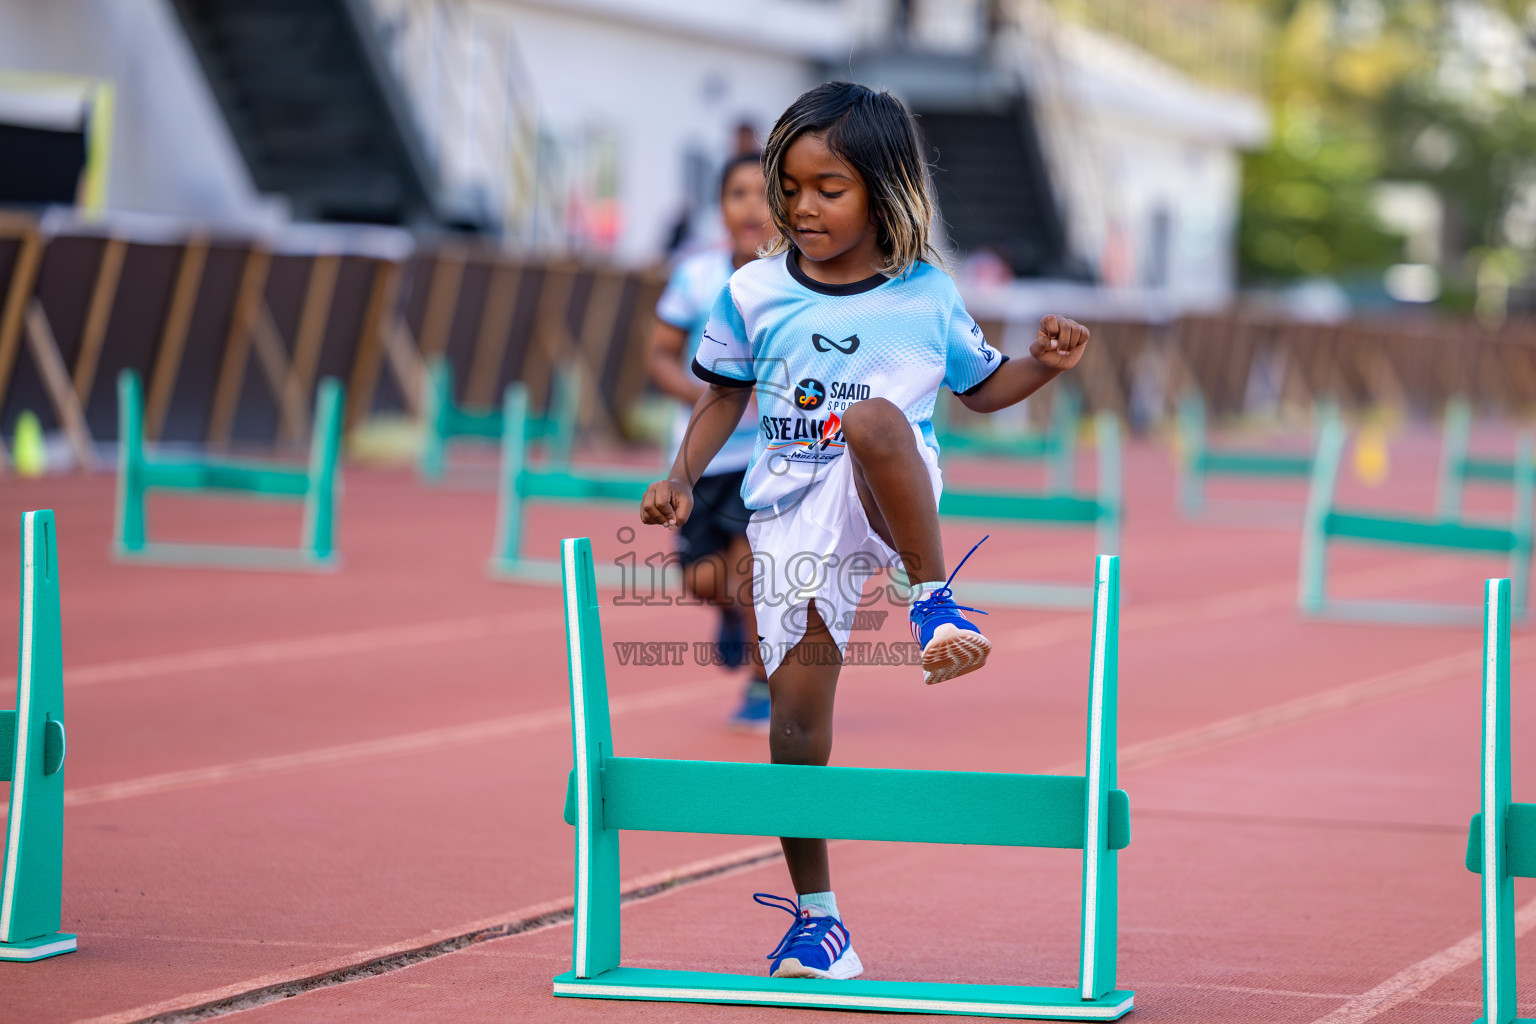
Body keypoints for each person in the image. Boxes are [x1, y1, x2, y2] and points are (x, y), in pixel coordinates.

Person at [639, 82, 1090, 981]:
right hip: (789, 510)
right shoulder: (752, 291)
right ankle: (820, 922)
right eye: (791, 187)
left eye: (829, 188)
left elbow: (980, 386)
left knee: (875, 422)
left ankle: (936, 602)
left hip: (891, 495)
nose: (804, 207)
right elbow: (724, 391)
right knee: (795, 723)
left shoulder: (925, 296)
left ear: (884, 190)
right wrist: (681, 476)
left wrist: (1041, 364)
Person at [648, 151, 774, 730]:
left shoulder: (797, 280)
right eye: (738, 194)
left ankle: (760, 684)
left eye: (765, 195)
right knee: (703, 578)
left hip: (770, 457)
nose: (752, 207)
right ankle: (725, 615)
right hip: (702, 456)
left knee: (755, 576)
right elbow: (658, 354)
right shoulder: (697, 276)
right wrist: (707, 397)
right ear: (720, 207)